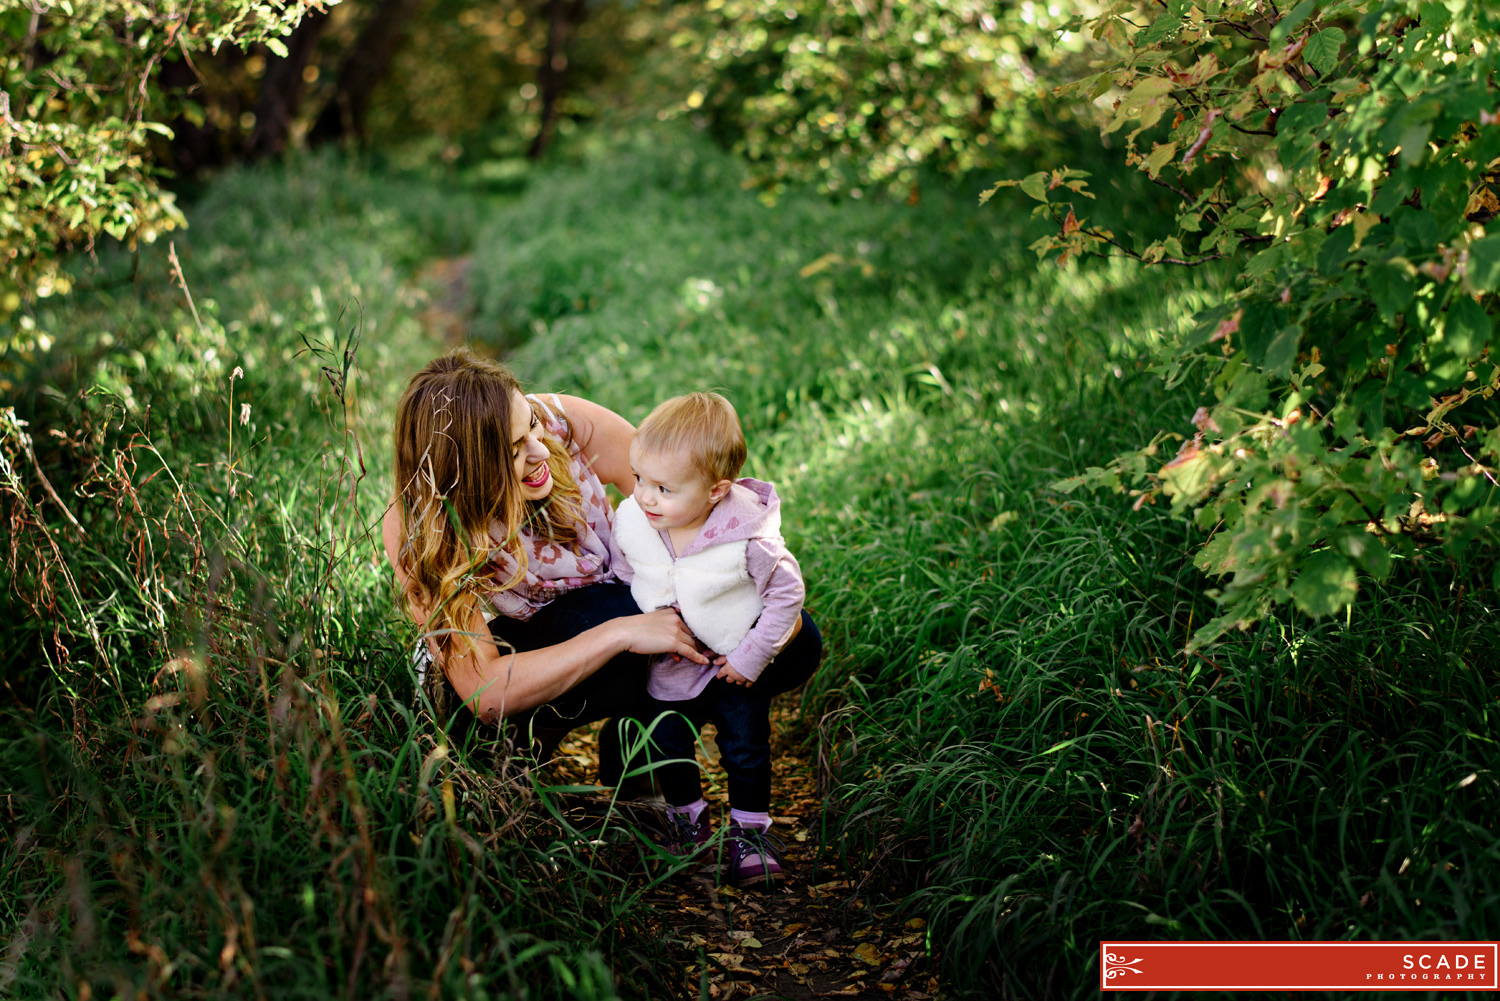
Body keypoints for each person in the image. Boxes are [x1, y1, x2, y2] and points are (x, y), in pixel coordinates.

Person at [381, 348, 708, 764]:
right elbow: (486, 691)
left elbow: (690, 511)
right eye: (513, 451)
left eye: (531, 426)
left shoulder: (563, 422)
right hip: (498, 670)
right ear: (466, 471)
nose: (540, 452)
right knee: (615, 613)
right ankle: (535, 740)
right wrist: (622, 633)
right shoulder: (420, 525)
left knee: (792, 644)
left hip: (600, 609)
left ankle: (635, 752)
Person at [610, 392, 824, 887]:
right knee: (666, 740)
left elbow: (787, 596)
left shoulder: (745, 539)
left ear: (714, 490)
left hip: (732, 662)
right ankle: (688, 819)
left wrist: (752, 656)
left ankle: (751, 832)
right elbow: (627, 568)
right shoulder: (639, 521)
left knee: (744, 746)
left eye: (663, 487)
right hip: (669, 661)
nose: (644, 496)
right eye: (639, 478)